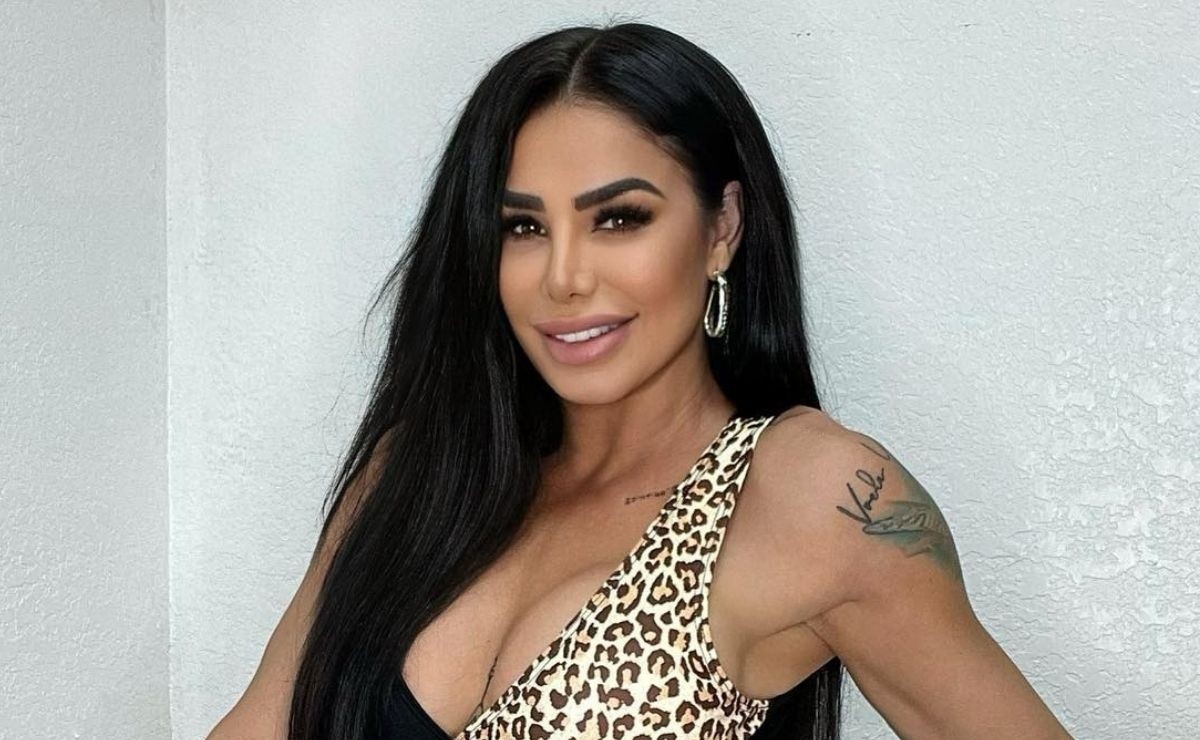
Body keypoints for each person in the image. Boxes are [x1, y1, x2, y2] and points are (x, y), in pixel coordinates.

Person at [209, 21, 1072, 740]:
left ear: (722, 227)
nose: (564, 278)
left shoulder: (815, 497)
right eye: (523, 228)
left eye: (619, 218)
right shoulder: (419, 471)